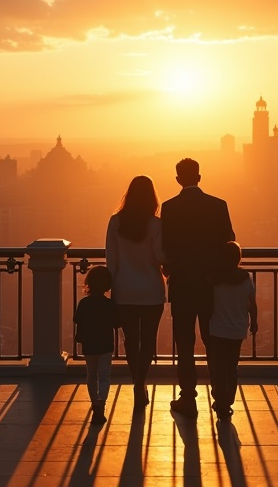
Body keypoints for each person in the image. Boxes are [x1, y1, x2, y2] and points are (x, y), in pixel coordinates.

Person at [161, 158, 235, 419]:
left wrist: (170, 267)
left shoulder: (169, 208)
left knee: (184, 343)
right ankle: (221, 399)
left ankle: (188, 398)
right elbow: (229, 241)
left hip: (181, 284)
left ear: (178, 179)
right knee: (213, 342)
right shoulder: (218, 205)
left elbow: (165, 246)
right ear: (199, 177)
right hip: (210, 284)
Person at [106, 175, 166, 410]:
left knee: (131, 340)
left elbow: (111, 260)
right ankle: (141, 381)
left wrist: (111, 290)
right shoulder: (155, 225)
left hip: (124, 290)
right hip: (151, 290)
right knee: (148, 340)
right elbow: (160, 257)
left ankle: (136, 382)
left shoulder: (115, 222)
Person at [209, 241, 258, 422]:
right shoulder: (245, 279)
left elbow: (209, 305)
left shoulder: (214, 280)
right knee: (231, 366)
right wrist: (254, 322)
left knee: (218, 367)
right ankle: (227, 401)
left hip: (217, 329)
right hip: (237, 329)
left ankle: (220, 399)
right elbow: (252, 304)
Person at [74, 265, 120, 425]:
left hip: (89, 343)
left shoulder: (84, 304)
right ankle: (101, 402)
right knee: (104, 376)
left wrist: (79, 337)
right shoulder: (109, 305)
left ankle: (95, 403)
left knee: (91, 374)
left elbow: (78, 321)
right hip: (105, 344)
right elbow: (116, 323)